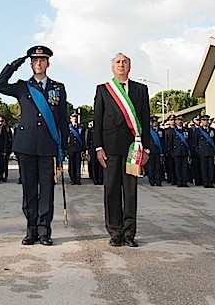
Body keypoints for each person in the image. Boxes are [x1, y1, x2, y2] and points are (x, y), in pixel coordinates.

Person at [0, 45, 69, 246]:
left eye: (42, 60)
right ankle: (31, 231)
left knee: (46, 190)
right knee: (29, 190)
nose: (38, 63)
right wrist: (14, 65)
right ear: (30, 64)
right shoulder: (21, 86)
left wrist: (64, 146)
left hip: (48, 145)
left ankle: (45, 231)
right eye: (35, 60)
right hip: (25, 146)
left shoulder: (58, 88)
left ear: (48, 63)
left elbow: (62, 119)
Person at [93, 52, 150, 247]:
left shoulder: (141, 89)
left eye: (125, 62)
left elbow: (144, 120)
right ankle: (114, 231)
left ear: (130, 67)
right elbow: (98, 121)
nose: (121, 64)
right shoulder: (103, 90)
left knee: (131, 191)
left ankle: (129, 233)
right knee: (111, 191)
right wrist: (98, 147)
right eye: (117, 62)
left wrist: (147, 150)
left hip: (132, 147)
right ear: (112, 67)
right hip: (109, 148)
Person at [168, 115, 191, 187]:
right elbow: (170, 142)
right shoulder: (172, 131)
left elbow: (189, 141)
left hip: (184, 151)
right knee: (177, 167)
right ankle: (179, 181)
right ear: (176, 121)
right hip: (176, 151)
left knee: (184, 167)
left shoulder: (185, 130)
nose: (180, 121)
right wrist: (171, 151)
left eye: (181, 120)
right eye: (178, 120)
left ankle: (184, 181)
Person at [195, 114, 215, 188]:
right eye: (204, 120)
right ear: (201, 121)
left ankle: (210, 182)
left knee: (211, 168)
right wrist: (198, 151)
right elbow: (196, 142)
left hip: (210, 151)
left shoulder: (212, 130)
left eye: (207, 120)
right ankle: (205, 182)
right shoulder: (198, 131)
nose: (206, 122)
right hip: (202, 151)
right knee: (204, 168)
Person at [67, 112, 85, 185]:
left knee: (78, 164)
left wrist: (83, 149)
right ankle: (72, 179)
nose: (75, 118)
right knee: (71, 164)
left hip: (78, 148)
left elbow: (83, 138)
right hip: (71, 148)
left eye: (76, 117)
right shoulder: (69, 127)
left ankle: (78, 179)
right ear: (71, 119)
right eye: (73, 117)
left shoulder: (81, 127)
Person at [147, 115, 164, 186]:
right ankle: (152, 180)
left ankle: (158, 181)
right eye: (153, 121)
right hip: (151, 151)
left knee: (158, 167)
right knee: (151, 167)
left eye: (156, 121)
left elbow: (163, 141)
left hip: (158, 151)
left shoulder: (161, 131)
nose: (154, 123)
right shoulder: (148, 131)